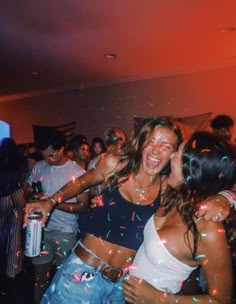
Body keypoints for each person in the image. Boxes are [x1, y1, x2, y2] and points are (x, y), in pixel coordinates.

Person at [24, 117, 232, 304]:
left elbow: (209, 179)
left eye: (166, 146)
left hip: (123, 287)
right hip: (83, 273)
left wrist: (226, 198)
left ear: (175, 155)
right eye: (151, 141)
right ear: (141, 143)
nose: (155, 150)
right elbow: (80, 183)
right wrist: (50, 201)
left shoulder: (168, 188)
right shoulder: (116, 166)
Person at [123, 131, 236, 304]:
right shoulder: (171, 195)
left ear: (191, 169)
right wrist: (228, 196)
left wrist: (159, 299)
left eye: (178, 153)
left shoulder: (208, 227)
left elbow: (222, 299)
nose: (172, 155)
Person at [24, 130, 89, 304]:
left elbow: (83, 206)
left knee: (65, 279)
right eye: (44, 156)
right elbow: (28, 189)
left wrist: (52, 203)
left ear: (61, 149)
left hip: (65, 232)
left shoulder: (76, 171)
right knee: (39, 276)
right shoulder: (39, 166)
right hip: (40, 230)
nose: (48, 160)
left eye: (51, 155)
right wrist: (32, 195)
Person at [0, 138, 28, 278]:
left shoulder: (1, 157)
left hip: (2, 197)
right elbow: (23, 178)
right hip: (17, 195)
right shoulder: (21, 158)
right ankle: (13, 270)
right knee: (15, 233)